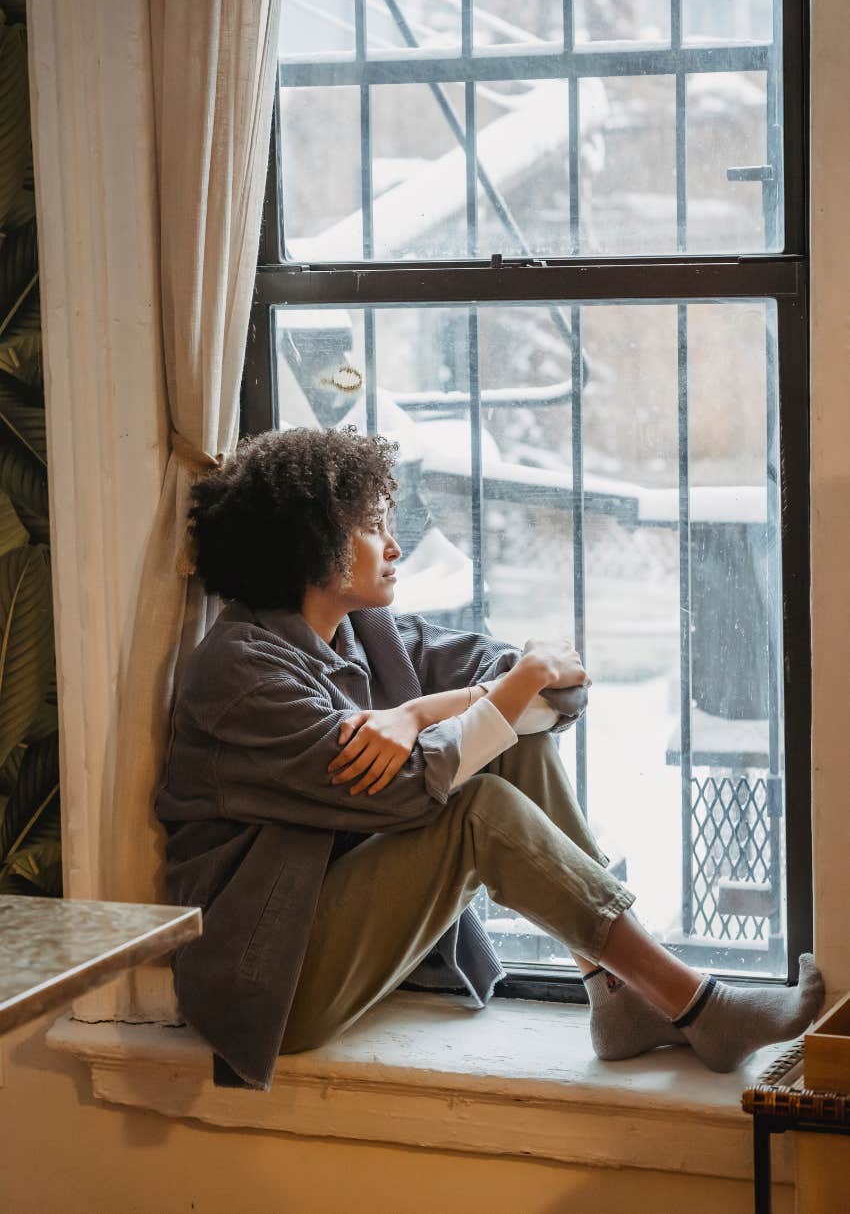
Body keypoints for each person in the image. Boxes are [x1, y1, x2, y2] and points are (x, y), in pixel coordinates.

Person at [156, 425, 824, 1093]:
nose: (395, 547)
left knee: (511, 744)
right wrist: (512, 685)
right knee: (478, 808)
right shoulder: (240, 675)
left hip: (339, 939)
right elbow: (409, 788)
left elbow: (554, 688)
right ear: (306, 544)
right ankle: (698, 1004)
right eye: (370, 528)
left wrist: (434, 706)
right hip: (273, 977)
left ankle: (616, 995)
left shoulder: (369, 633)